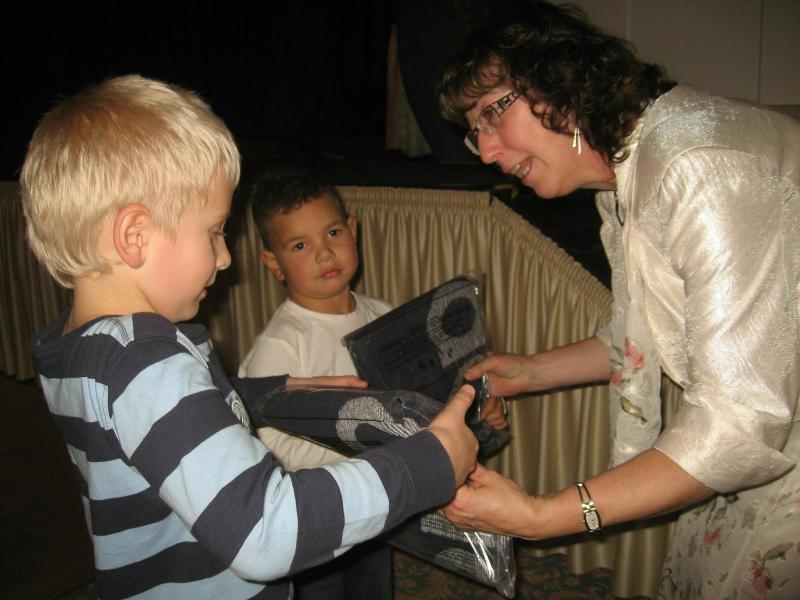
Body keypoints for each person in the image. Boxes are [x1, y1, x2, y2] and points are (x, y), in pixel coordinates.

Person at [20, 74, 479, 600]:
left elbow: (156, 422)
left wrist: (272, 392)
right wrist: (427, 463)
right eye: (214, 231)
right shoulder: (146, 364)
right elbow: (266, 533)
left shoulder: (82, 347)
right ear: (135, 236)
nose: (224, 258)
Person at [435, 2, 800, 597]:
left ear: (562, 78)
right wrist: (529, 372)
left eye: (492, 114)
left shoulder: (699, 169)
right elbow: (644, 330)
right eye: (475, 135)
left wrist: (541, 516)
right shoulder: (628, 172)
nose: (488, 153)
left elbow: (739, 424)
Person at [238, 164, 508, 599]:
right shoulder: (279, 347)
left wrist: (478, 416)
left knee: (373, 585)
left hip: (381, 503)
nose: (324, 254)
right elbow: (269, 446)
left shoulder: (384, 319)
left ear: (353, 229)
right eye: (300, 245)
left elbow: (424, 401)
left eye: (333, 233)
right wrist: (368, 446)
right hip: (319, 512)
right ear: (273, 263)